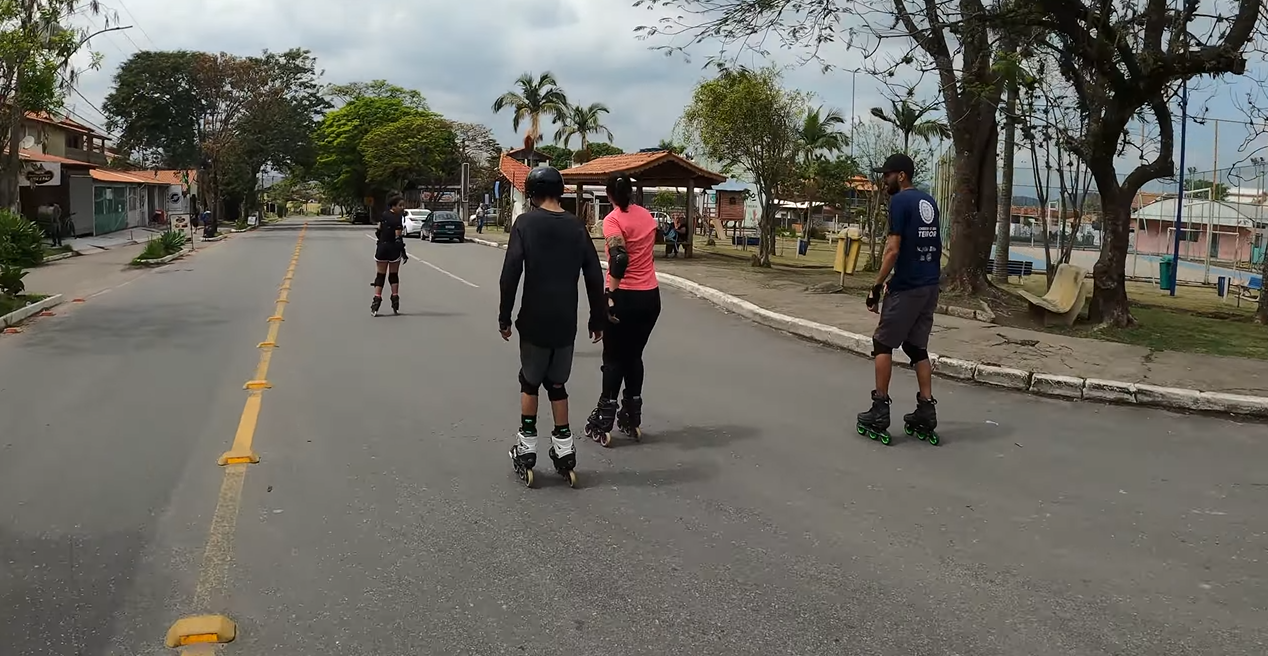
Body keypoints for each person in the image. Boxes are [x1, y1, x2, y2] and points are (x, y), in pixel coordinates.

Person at [498, 166, 606, 486]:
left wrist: (505, 317)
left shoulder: (525, 223)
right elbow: (594, 274)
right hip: (565, 321)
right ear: (560, 191)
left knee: (530, 383)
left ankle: (527, 447)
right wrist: (597, 317)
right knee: (557, 386)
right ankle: (564, 451)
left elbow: (510, 274)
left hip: (533, 319)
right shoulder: (576, 226)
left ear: (532, 193)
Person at [856, 153, 942, 444]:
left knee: (883, 342)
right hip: (930, 284)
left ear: (901, 175)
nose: (884, 180)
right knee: (917, 347)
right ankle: (925, 410)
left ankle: (880, 409)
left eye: (887, 175)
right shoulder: (929, 202)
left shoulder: (899, 202)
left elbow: (893, 250)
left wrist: (877, 285)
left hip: (906, 286)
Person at [584, 173, 662, 445]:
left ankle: (605, 415)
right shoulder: (647, 216)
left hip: (625, 296)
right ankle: (632, 413)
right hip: (650, 297)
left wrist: (610, 293)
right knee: (634, 356)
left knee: (613, 358)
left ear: (609, 195)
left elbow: (618, 258)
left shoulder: (613, 220)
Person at [371, 195, 408, 316]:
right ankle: (395, 299)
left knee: (380, 275)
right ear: (393, 206)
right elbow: (398, 238)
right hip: (393, 249)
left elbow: (378, 231)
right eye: (400, 205)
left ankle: (376, 301)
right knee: (393, 275)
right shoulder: (397, 219)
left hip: (382, 248)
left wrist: (381, 241)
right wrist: (403, 252)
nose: (402, 208)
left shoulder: (384, 215)